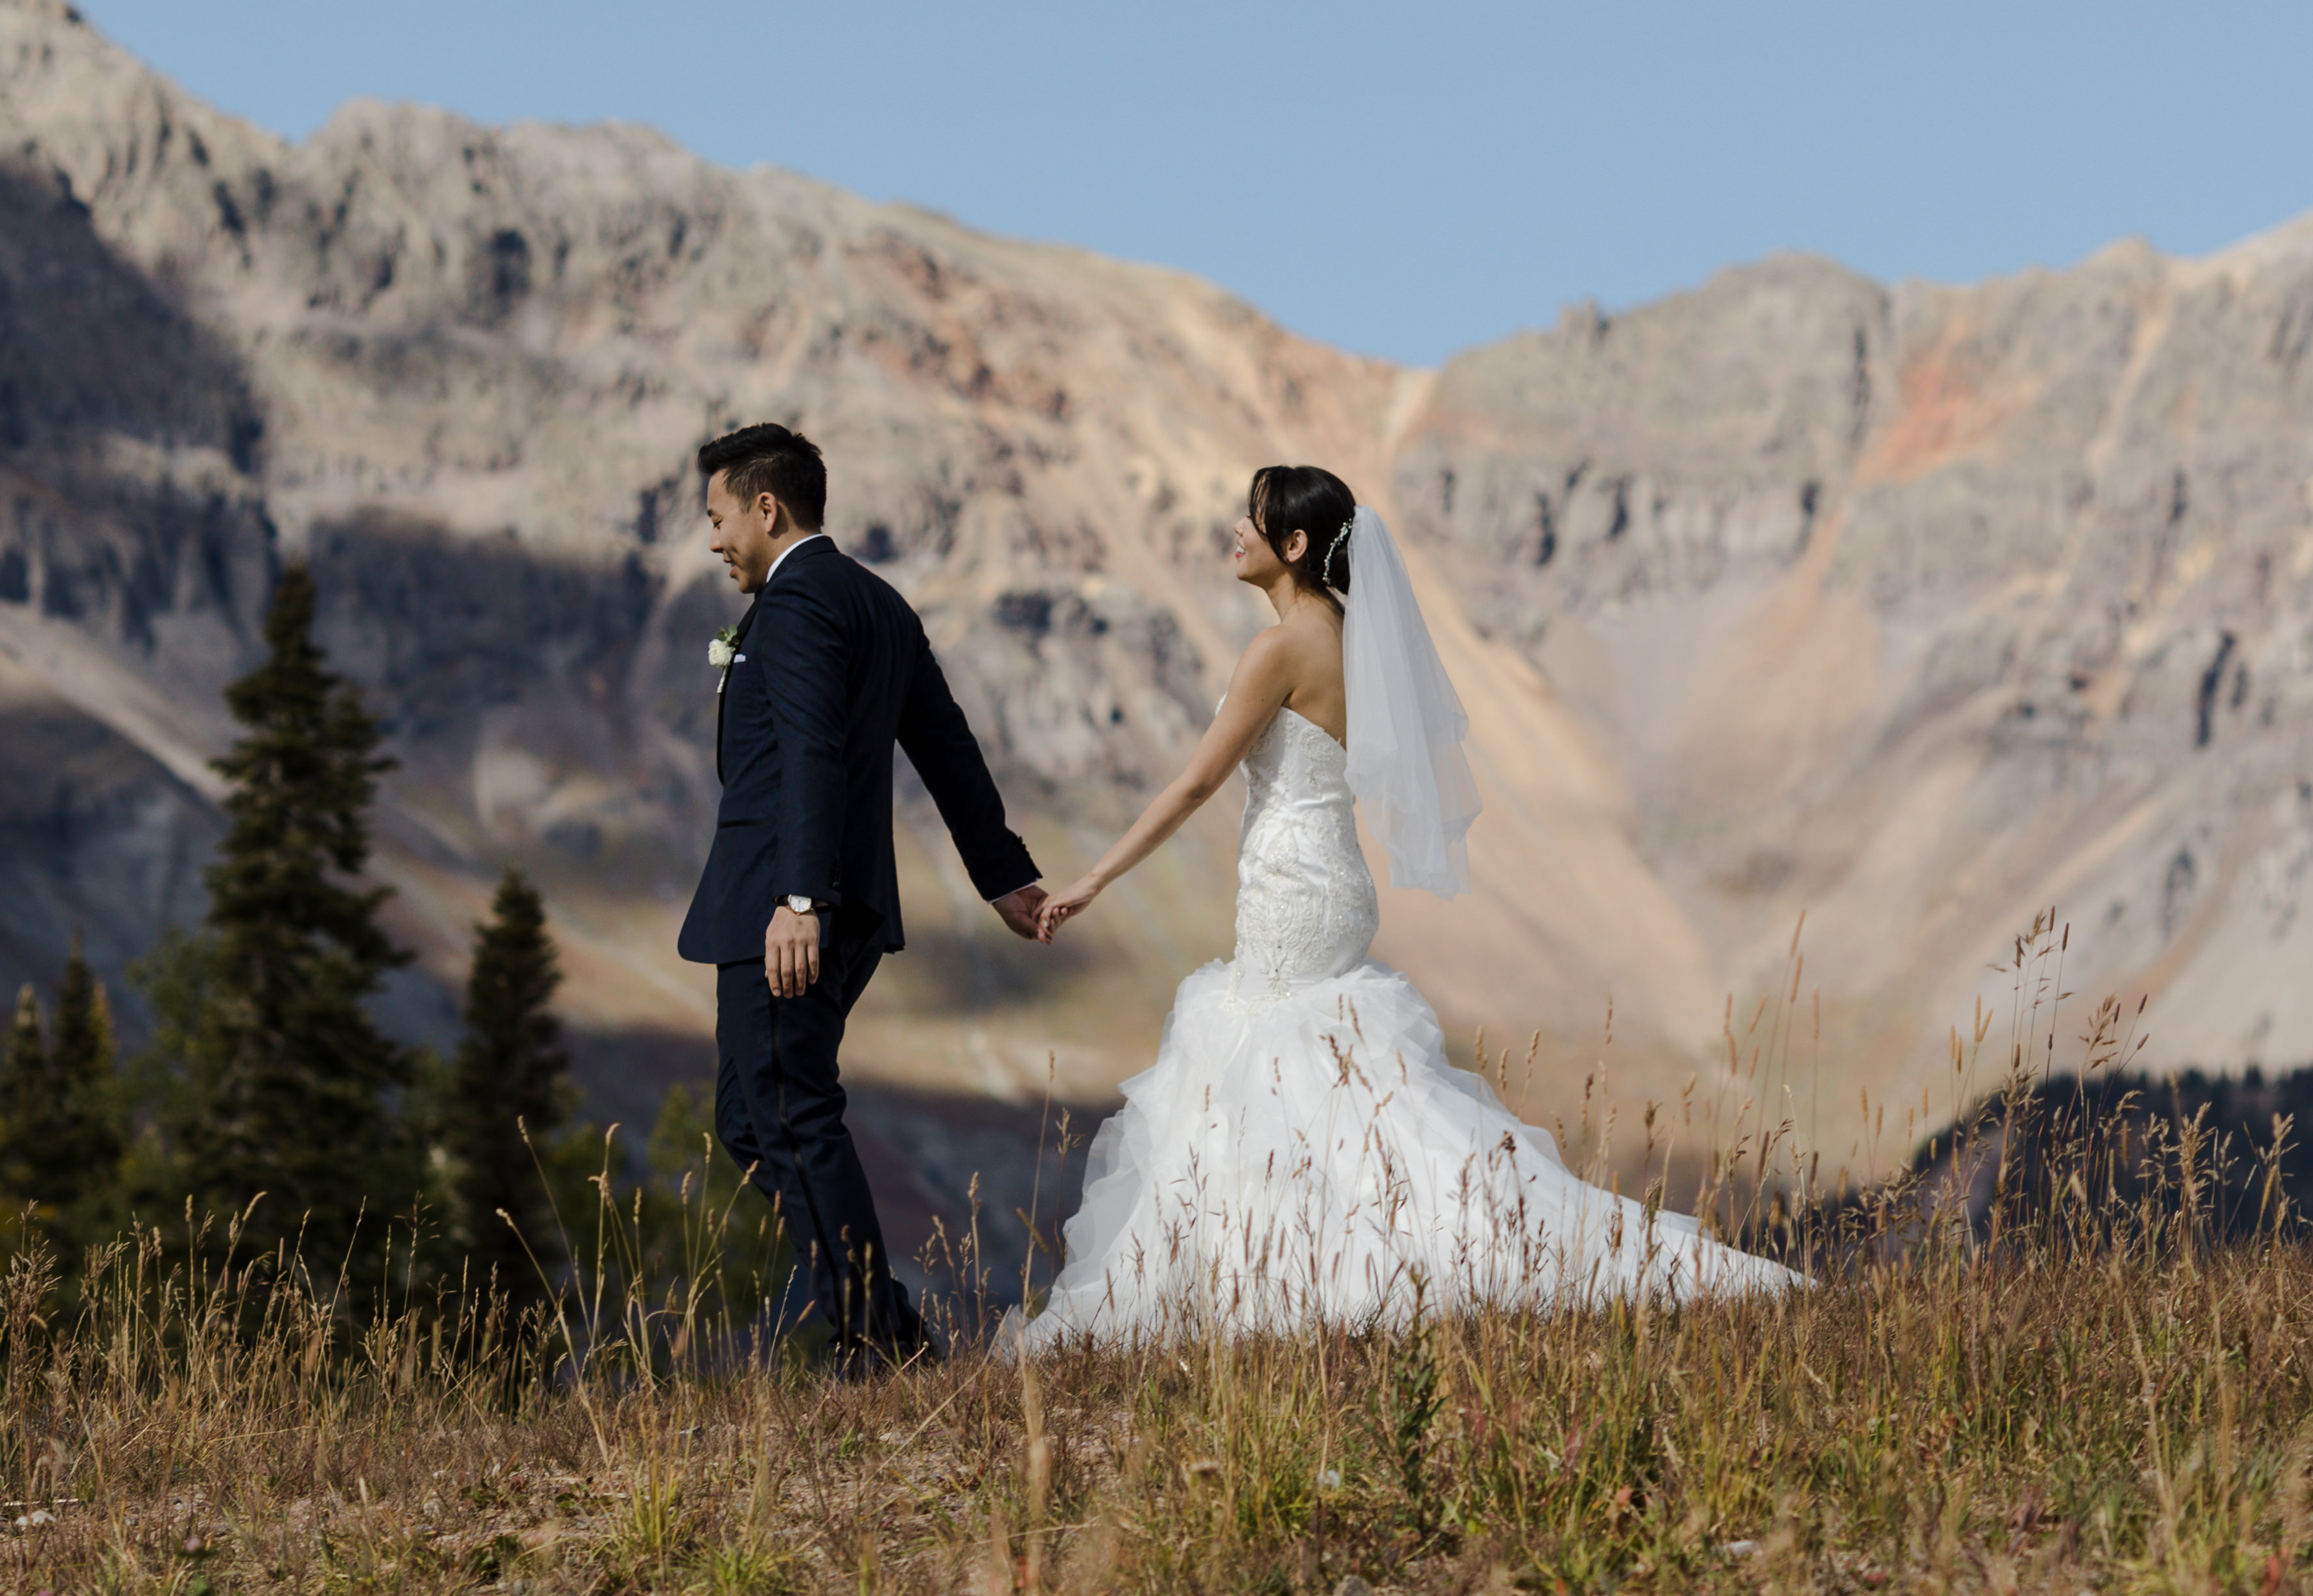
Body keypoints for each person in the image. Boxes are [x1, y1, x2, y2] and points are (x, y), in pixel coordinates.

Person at [1012, 464, 1805, 1343]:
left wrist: (1093, 878)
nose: (1234, 530)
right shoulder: (1354, 638)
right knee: (1322, 1074)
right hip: (1337, 881)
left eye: (1252, 517)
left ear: (1295, 545)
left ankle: (1294, 1279)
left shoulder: (1276, 648)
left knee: (1264, 1060)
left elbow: (1198, 780)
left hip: (1287, 884)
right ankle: (1327, 1256)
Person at [678, 422, 1047, 1369]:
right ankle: (893, 1330)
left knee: (789, 1111)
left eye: (718, 517)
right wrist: (1000, 870)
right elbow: (947, 745)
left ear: (767, 507)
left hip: (787, 908)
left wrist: (798, 898)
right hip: (834, 904)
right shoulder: (878, 601)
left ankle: (865, 1342)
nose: (713, 539)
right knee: (748, 1115)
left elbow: (808, 749)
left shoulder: (798, 604)